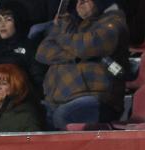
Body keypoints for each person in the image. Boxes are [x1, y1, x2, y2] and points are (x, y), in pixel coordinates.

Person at [36, 0, 129, 130]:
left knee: (63, 115)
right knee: (34, 114)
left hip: (97, 99)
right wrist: (77, 52)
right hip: (56, 99)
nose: (80, 3)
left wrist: (63, 38)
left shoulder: (114, 21)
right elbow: (42, 52)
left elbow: (86, 46)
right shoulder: (72, 24)